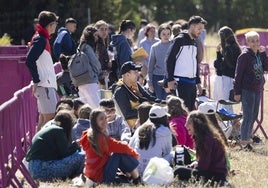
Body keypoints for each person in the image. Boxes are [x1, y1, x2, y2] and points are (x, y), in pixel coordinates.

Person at [79, 109, 141, 185]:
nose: (105, 121)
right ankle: (137, 179)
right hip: (100, 178)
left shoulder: (87, 134)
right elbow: (123, 147)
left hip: (90, 175)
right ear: (94, 122)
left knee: (116, 154)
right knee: (119, 153)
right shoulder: (101, 138)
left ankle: (130, 175)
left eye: (106, 118)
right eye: (101, 119)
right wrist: (135, 155)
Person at [26, 110, 84, 181]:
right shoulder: (58, 131)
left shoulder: (51, 128)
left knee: (79, 154)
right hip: (41, 169)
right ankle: (80, 176)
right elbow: (66, 154)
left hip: (34, 169)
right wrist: (76, 145)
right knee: (82, 157)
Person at [174, 111, 228, 186]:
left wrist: (192, 167)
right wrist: (192, 165)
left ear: (197, 124)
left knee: (178, 171)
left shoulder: (207, 140)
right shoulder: (204, 137)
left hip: (216, 177)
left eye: (189, 123)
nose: (186, 125)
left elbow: (203, 166)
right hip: (213, 173)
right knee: (178, 167)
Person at [234, 31, 268, 150]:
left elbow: (266, 68)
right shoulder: (244, 56)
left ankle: (247, 138)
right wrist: (237, 92)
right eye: (252, 41)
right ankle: (244, 142)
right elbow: (238, 75)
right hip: (247, 89)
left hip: (257, 89)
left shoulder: (258, 54)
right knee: (247, 116)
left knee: (253, 115)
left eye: (257, 40)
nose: (255, 43)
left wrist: (263, 54)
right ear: (248, 42)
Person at [25, 10, 59, 131]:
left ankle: (35, 148)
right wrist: (36, 80)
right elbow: (29, 60)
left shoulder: (40, 37)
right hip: (44, 85)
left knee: (43, 120)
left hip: (44, 85)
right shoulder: (41, 39)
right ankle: (42, 149)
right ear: (50, 24)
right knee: (49, 120)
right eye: (55, 23)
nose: (56, 26)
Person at [166, 15, 207, 111]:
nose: (200, 31)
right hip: (180, 83)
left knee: (190, 113)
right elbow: (169, 59)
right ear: (192, 26)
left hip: (192, 84)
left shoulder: (194, 42)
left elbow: (195, 63)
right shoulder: (179, 39)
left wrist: (198, 83)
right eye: (199, 28)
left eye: (202, 29)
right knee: (181, 113)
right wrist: (170, 79)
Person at [113, 61, 163, 129]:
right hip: (134, 125)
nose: (138, 74)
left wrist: (161, 102)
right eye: (135, 72)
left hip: (143, 118)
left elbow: (148, 97)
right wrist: (148, 109)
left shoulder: (135, 84)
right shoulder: (120, 91)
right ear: (127, 75)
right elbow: (127, 114)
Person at [129, 105, 173, 176]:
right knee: (172, 154)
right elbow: (167, 151)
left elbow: (130, 147)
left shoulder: (140, 129)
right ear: (163, 118)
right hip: (154, 170)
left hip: (138, 169)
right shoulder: (165, 131)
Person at [214, 26, 241, 112]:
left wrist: (218, 53)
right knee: (227, 104)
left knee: (225, 104)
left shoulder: (228, 50)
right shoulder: (236, 48)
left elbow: (219, 67)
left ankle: (228, 124)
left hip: (227, 79)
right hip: (232, 78)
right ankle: (230, 124)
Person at [76, 25, 102, 108]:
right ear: (89, 36)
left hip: (80, 81)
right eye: (95, 35)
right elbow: (95, 63)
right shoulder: (88, 47)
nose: (96, 38)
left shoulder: (80, 47)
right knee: (96, 108)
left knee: (86, 109)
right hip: (90, 80)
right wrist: (100, 73)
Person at [148, 23, 172, 100]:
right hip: (157, 77)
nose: (166, 36)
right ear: (159, 34)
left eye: (168, 34)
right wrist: (150, 83)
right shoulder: (154, 47)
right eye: (164, 34)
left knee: (168, 101)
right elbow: (150, 66)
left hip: (170, 78)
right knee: (159, 101)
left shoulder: (173, 45)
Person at [94, 20, 111, 89]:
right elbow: (98, 61)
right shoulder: (97, 44)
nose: (104, 31)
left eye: (106, 29)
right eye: (101, 29)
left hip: (103, 74)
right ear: (96, 30)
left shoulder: (104, 42)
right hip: (99, 76)